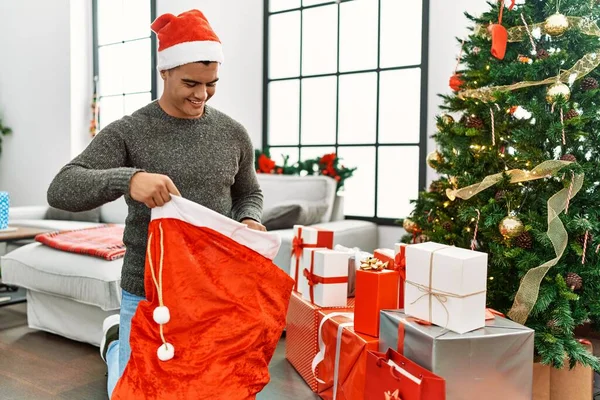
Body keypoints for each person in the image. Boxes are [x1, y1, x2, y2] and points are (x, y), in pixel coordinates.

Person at [46, 9, 266, 397]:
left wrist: (248, 218)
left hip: (211, 286)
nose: (201, 94)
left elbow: (248, 192)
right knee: (136, 391)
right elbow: (62, 188)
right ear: (164, 72)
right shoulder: (130, 131)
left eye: (211, 83)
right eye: (190, 83)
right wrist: (128, 179)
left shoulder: (233, 134)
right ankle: (117, 342)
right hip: (148, 287)